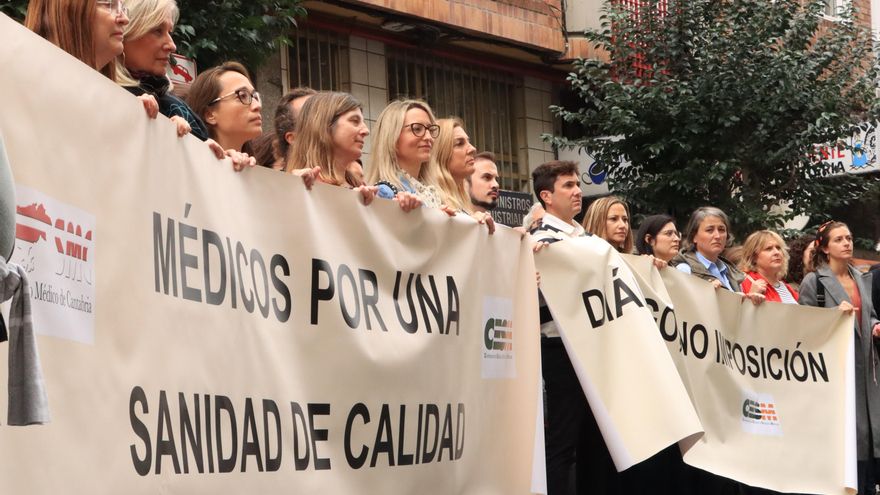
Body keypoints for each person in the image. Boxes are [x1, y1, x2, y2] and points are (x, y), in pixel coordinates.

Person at [530, 161, 600, 495]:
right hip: (559, 346)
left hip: (591, 344)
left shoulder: (585, 236)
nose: (577, 192)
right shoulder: (539, 237)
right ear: (546, 196)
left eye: (577, 185)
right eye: (568, 186)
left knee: (591, 438)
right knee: (563, 439)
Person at [799, 221, 880, 495]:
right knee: (848, 436)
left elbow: (867, 315)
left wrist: (875, 324)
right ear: (824, 247)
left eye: (849, 237)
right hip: (837, 372)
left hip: (868, 369)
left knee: (870, 435)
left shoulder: (861, 277)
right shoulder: (814, 281)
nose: (847, 243)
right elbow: (804, 326)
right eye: (839, 239)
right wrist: (832, 317)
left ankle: (868, 484)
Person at [25, 0, 158, 118]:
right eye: (108, 4)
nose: (125, 19)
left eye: (122, 7)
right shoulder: (18, 87)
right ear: (68, 10)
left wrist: (137, 119)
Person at [284, 92, 402, 208]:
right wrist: (295, 188)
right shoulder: (301, 184)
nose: (366, 131)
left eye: (363, 122)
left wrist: (403, 209)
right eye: (354, 121)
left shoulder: (360, 186)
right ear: (325, 126)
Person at [116, 0, 206, 139]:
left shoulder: (176, 105)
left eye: (169, 32)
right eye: (157, 31)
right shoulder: (100, 93)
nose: (172, 45)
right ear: (125, 31)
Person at [365, 99, 446, 209]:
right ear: (392, 137)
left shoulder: (433, 193)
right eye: (417, 129)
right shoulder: (385, 193)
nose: (429, 137)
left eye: (431, 130)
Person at [431, 119, 494, 231]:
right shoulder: (429, 203)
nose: (472, 149)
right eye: (459, 143)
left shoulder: (464, 203)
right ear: (440, 153)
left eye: (468, 142)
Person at [187, 62, 263, 153]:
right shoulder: (188, 161)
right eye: (242, 96)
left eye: (254, 96)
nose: (257, 106)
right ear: (209, 114)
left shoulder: (253, 165)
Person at [672, 206, 746, 292]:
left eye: (721, 230)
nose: (717, 236)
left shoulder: (732, 273)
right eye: (709, 230)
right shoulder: (685, 270)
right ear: (694, 236)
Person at [739, 231, 798, 304]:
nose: (777, 252)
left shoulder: (787, 288)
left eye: (778, 248)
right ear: (753, 256)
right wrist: (750, 297)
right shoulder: (745, 282)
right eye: (769, 249)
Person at [274, 87, 318, 167]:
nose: (325, 120)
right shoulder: (283, 179)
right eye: (312, 114)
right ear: (292, 138)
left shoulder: (345, 176)